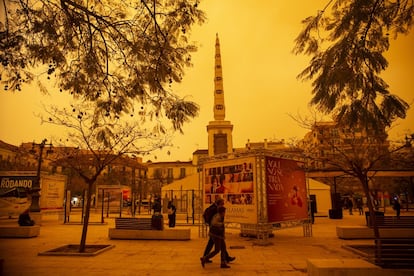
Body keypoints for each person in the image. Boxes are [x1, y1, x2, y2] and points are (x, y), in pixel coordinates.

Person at [202, 198, 235, 264]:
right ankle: (205, 258)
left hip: (214, 230)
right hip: (215, 231)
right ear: (219, 203)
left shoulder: (213, 207)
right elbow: (215, 221)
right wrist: (221, 225)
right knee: (217, 248)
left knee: (215, 245)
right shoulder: (216, 209)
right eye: (222, 204)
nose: (223, 205)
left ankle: (224, 259)